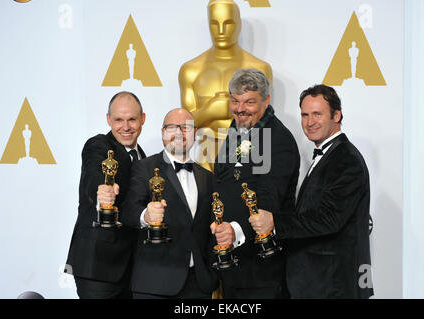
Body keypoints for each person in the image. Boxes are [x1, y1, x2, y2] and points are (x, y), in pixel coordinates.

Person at [250, 84, 374, 298]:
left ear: (337, 115)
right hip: (313, 284)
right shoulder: (328, 156)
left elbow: (328, 218)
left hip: (332, 285)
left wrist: (275, 222)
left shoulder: (347, 160)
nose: (309, 122)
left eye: (317, 114)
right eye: (305, 115)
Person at [212, 68, 300, 298]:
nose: (240, 109)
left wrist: (235, 230)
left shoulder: (277, 139)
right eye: (235, 100)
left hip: (260, 273)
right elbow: (223, 183)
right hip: (233, 266)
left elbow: (267, 200)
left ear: (266, 100)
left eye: (249, 102)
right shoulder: (238, 131)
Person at [122, 108, 218, 299]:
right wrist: (146, 216)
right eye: (172, 127)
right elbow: (128, 211)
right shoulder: (144, 168)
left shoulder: (207, 177)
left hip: (198, 285)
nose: (179, 133)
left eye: (185, 128)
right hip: (155, 283)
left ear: (195, 133)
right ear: (162, 132)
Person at [65, 91, 146, 299]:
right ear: (108, 120)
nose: (125, 127)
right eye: (118, 119)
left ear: (142, 119)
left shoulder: (142, 156)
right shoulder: (98, 145)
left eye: (132, 119)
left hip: (131, 271)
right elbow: (95, 171)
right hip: (97, 268)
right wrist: (102, 190)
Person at [179, 0, 273, 172]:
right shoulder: (191, 70)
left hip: (247, 153)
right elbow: (185, 125)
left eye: (228, 23)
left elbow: (266, 119)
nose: (221, 31)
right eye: (214, 24)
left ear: (239, 24)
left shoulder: (260, 68)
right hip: (205, 154)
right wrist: (210, 111)